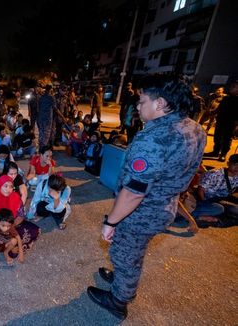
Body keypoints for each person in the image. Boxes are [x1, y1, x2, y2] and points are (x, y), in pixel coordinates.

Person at [86, 75, 206, 320]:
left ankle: (118, 300)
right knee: (134, 252)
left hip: (140, 213)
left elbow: (134, 192)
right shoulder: (194, 128)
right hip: (165, 205)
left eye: (141, 101)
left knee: (125, 255)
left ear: (160, 103)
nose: (137, 107)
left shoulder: (154, 139)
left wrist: (111, 222)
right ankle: (122, 279)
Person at [192, 154, 238, 222]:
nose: (237, 168)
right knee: (219, 209)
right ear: (228, 164)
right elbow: (200, 190)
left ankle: (208, 213)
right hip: (205, 199)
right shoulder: (215, 173)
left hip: (221, 200)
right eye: (235, 165)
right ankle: (192, 215)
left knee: (234, 211)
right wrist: (205, 202)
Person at [203, 81, 238, 162]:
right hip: (220, 120)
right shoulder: (226, 98)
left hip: (231, 123)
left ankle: (223, 155)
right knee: (217, 137)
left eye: (234, 87)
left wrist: (236, 126)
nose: (231, 88)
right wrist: (211, 113)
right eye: (232, 86)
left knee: (227, 139)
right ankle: (215, 152)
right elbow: (219, 109)